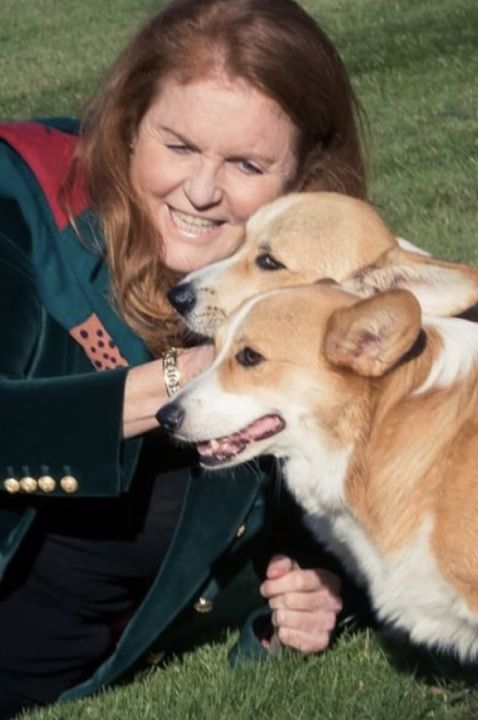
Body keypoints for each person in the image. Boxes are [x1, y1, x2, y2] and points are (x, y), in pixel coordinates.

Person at [0, 0, 368, 715]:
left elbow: (343, 515)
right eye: (179, 147)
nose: (202, 190)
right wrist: (187, 378)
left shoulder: (309, 298)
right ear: (129, 126)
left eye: (247, 164)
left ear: (301, 178)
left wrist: (320, 593)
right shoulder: (21, 203)